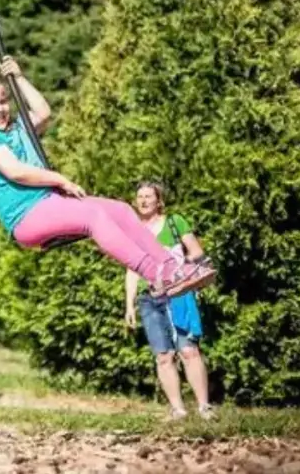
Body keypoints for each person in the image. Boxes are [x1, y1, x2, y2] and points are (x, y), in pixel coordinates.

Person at [0, 57, 215, 296]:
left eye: (3, 101)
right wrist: (60, 179)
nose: (0, 109)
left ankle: (172, 268)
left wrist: (18, 77)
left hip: (52, 203)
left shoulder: (18, 129)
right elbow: (16, 172)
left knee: (121, 211)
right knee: (93, 216)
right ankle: (155, 274)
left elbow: (42, 113)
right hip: (27, 216)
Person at [125, 180, 213, 420]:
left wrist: (175, 265)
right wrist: (129, 305)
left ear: (158, 200)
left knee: (188, 350)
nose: (143, 200)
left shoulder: (175, 222)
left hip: (179, 293)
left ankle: (204, 407)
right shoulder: (133, 231)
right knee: (163, 356)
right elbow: (132, 269)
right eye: (139, 196)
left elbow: (196, 252)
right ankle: (178, 410)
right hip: (149, 297)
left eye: (148, 196)